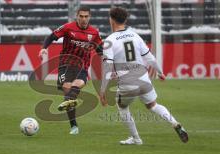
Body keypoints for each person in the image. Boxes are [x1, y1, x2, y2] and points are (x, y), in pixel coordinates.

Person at [99, 7, 188, 145]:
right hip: (144, 79)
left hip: (128, 82)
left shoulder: (110, 40)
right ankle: (175, 123)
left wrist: (103, 89)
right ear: (125, 20)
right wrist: (160, 72)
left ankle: (136, 139)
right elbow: (150, 58)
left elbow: (107, 66)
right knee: (152, 105)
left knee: (122, 106)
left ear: (111, 20)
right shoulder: (134, 35)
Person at [39, 6, 103, 135]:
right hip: (66, 65)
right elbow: (52, 36)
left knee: (78, 84)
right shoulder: (68, 27)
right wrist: (44, 48)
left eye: (86, 16)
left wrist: (108, 59)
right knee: (68, 88)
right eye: (81, 16)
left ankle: (68, 102)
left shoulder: (94, 33)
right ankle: (73, 125)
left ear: (89, 17)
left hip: (82, 66)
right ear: (77, 16)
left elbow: (100, 50)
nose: (83, 19)